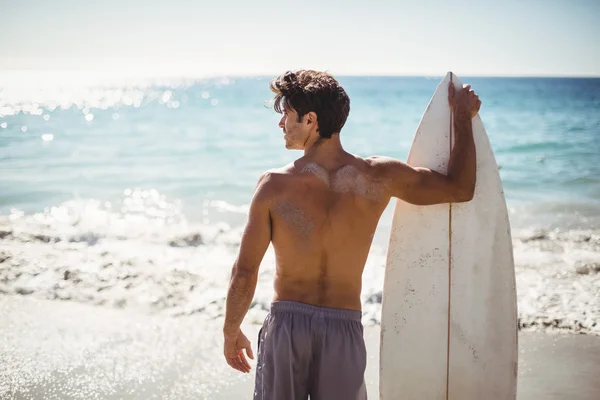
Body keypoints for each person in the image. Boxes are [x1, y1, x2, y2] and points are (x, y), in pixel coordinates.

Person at [223, 70, 480, 399]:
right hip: (343, 329)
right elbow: (459, 189)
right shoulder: (379, 177)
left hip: (288, 327)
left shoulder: (274, 186)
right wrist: (462, 118)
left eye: (286, 114)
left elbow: (245, 271)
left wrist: (231, 331)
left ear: (310, 120)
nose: (280, 124)